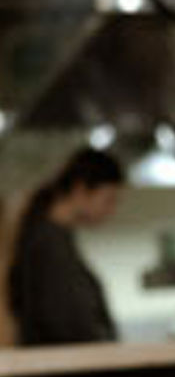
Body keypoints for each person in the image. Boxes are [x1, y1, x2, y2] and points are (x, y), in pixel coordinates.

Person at [7, 147, 123, 345]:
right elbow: (62, 320)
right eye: (108, 200)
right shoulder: (47, 242)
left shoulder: (53, 237)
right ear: (80, 190)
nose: (111, 211)